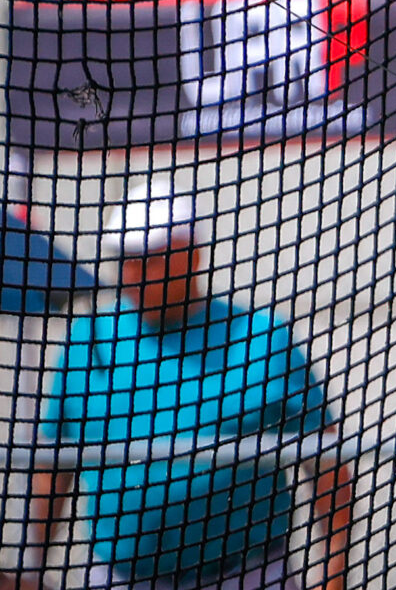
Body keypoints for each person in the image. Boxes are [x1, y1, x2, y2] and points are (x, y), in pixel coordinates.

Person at [5, 177, 353, 590]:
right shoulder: (90, 342)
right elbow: (54, 471)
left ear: (191, 255)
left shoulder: (263, 339)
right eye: (124, 259)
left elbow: (328, 469)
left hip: (248, 574)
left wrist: (333, 580)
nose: (131, 273)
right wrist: (32, 569)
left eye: (146, 259)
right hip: (119, 578)